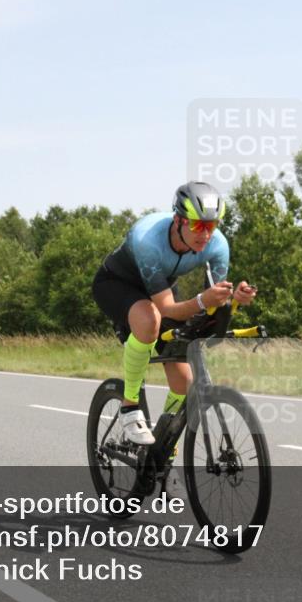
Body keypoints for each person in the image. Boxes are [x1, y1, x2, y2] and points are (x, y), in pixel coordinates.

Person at [92, 181, 257, 446]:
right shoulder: (148, 239)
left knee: (185, 383)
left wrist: (232, 300)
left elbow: (209, 313)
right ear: (178, 220)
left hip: (162, 288)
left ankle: (163, 454)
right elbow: (167, 309)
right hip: (117, 284)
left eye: (212, 225)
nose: (205, 234)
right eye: (198, 225)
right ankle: (129, 406)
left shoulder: (218, 246)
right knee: (149, 320)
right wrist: (203, 299)